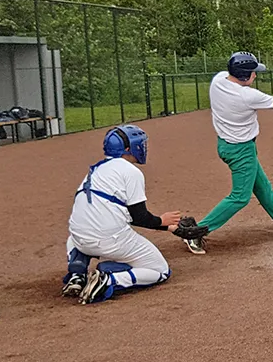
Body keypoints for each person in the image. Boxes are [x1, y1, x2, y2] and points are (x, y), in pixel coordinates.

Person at [186, 52, 273, 254]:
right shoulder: (247, 96)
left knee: (263, 187)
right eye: (253, 72)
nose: (255, 75)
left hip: (228, 145)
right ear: (245, 76)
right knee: (240, 197)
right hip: (241, 150)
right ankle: (196, 232)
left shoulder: (218, 80)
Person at [61, 125, 183, 304]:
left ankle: (77, 275)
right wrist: (162, 221)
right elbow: (139, 217)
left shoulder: (96, 169)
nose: (143, 147)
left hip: (79, 239)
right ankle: (109, 280)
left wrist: (167, 226)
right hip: (110, 239)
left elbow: (121, 213)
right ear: (128, 149)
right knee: (160, 271)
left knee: (80, 233)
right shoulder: (131, 172)